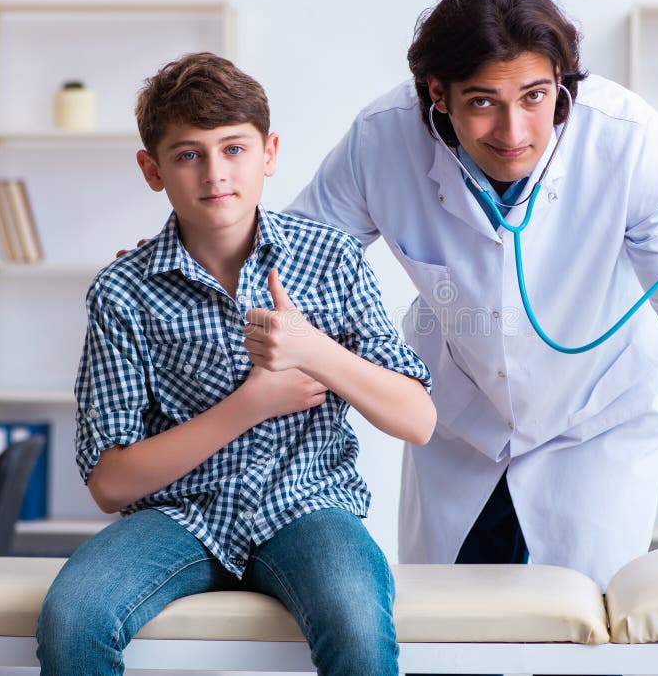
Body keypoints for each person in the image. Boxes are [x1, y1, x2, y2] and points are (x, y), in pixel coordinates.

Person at [287, 0, 658, 593]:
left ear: (560, 82)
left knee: (587, 623)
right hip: (460, 426)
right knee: (449, 625)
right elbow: (292, 267)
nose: (513, 134)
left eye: (535, 97)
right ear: (438, 93)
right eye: (483, 102)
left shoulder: (626, 138)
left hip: (597, 423)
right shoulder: (383, 139)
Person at [36, 52, 435, 676]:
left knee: (356, 622)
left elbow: (418, 420)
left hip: (308, 508)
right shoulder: (123, 291)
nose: (215, 173)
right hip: (178, 518)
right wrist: (252, 403)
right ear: (152, 169)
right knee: (73, 617)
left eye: (234, 149)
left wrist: (312, 350)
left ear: (269, 153)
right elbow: (109, 483)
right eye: (188, 154)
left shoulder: (332, 258)